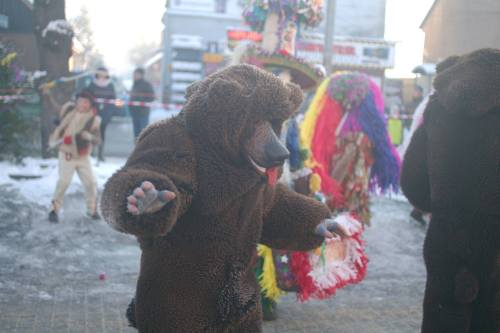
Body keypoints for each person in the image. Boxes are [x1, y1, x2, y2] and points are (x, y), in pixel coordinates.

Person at [48, 89, 102, 223]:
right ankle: (54, 210)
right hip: (66, 154)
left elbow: (98, 140)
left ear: (90, 104)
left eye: (85, 102)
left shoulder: (94, 120)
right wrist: (48, 94)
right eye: (80, 101)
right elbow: (56, 107)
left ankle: (92, 210)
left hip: (82, 156)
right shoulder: (68, 111)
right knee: (63, 182)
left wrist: (88, 136)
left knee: (91, 183)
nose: (82, 104)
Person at [87, 67, 116, 161]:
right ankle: (90, 152)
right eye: (100, 74)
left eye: (104, 74)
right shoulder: (92, 85)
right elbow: (87, 96)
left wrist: (109, 112)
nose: (102, 76)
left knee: (102, 133)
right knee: (91, 132)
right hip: (93, 113)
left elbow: (113, 99)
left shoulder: (110, 85)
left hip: (105, 114)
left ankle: (100, 153)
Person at [129, 67, 155, 140]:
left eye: (135, 74)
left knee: (143, 133)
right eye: (133, 74)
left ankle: (143, 148)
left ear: (141, 75)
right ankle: (137, 149)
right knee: (136, 134)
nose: (133, 76)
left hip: (143, 113)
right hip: (134, 112)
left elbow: (151, 98)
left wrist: (139, 99)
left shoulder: (147, 85)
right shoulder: (135, 84)